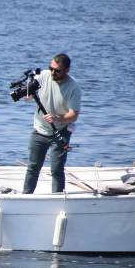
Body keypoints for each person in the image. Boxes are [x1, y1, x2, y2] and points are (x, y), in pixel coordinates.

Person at [23, 53, 82, 193]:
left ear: (67, 70)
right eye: (51, 68)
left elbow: (74, 115)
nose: (53, 73)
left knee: (56, 169)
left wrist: (57, 118)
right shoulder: (44, 75)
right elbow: (27, 97)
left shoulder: (74, 87)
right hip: (40, 129)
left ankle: (57, 198)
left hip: (61, 131)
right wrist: (27, 94)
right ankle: (25, 197)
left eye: (57, 70)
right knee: (33, 167)